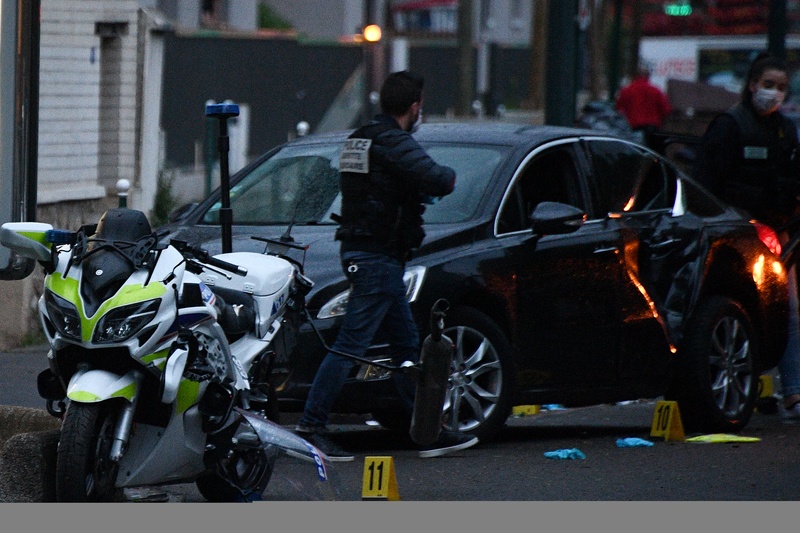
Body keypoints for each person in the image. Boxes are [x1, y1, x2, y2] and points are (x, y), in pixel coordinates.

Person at [294, 70, 478, 460]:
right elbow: (438, 178)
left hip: (375, 256)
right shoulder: (391, 140)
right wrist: (449, 177)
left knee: (406, 346)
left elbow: (374, 186)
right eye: (420, 108)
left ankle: (427, 429)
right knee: (350, 346)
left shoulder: (359, 139)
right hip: (376, 258)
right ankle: (312, 427)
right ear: (414, 108)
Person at [692, 52, 800, 424]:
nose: (774, 94)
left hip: (776, 235)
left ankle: (791, 393)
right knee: (758, 312)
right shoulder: (730, 126)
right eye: (768, 85)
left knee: (787, 311)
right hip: (740, 235)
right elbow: (706, 184)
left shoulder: (785, 131)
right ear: (752, 85)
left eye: (781, 88)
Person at [615, 65, 672, 151]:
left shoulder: (627, 90)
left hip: (633, 130)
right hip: (653, 129)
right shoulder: (655, 90)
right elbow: (666, 110)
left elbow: (618, 108)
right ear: (648, 76)